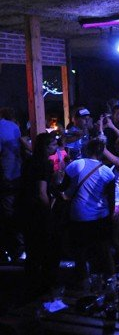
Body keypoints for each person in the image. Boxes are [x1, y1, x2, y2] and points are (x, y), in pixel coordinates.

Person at [62, 138, 117, 282]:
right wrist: (111, 216)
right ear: (102, 153)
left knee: (80, 249)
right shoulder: (108, 172)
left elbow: (63, 187)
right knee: (103, 249)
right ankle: (109, 280)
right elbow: (110, 199)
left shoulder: (75, 165)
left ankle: (82, 280)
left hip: (78, 214)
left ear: (86, 150)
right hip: (100, 216)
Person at [17, 132, 59, 297]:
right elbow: (42, 192)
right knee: (46, 248)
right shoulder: (44, 164)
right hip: (38, 211)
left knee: (32, 248)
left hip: (25, 209)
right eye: (53, 144)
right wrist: (48, 211)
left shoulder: (29, 161)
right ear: (46, 147)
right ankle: (45, 287)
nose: (56, 147)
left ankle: (31, 285)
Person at [0, 107, 22, 262]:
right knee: (13, 212)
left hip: (5, 177)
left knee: (7, 214)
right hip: (15, 175)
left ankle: (9, 251)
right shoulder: (13, 126)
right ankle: (17, 249)